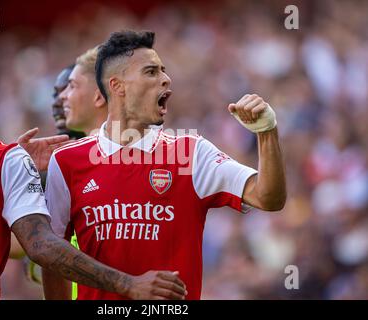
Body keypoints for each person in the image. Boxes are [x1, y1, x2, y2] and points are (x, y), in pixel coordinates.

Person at [0, 48, 187, 300]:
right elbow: (40, 246)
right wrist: (129, 284)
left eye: (70, 87)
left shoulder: (10, 160)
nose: (60, 99)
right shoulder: (5, 160)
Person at [44, 30, 286, 300]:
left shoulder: (190, 153)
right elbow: (52, 255)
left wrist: (267, 131)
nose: (166, 79)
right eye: (151, 72)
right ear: (117, 86)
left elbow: (269, 197)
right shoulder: (66, 161)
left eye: (163, 71)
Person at [42, 46, 108, 300]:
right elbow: (24, 247)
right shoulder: (56, 163)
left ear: (99, 95)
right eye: (57, 93)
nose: (60, 100)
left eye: (70, 87)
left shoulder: (143, 154)